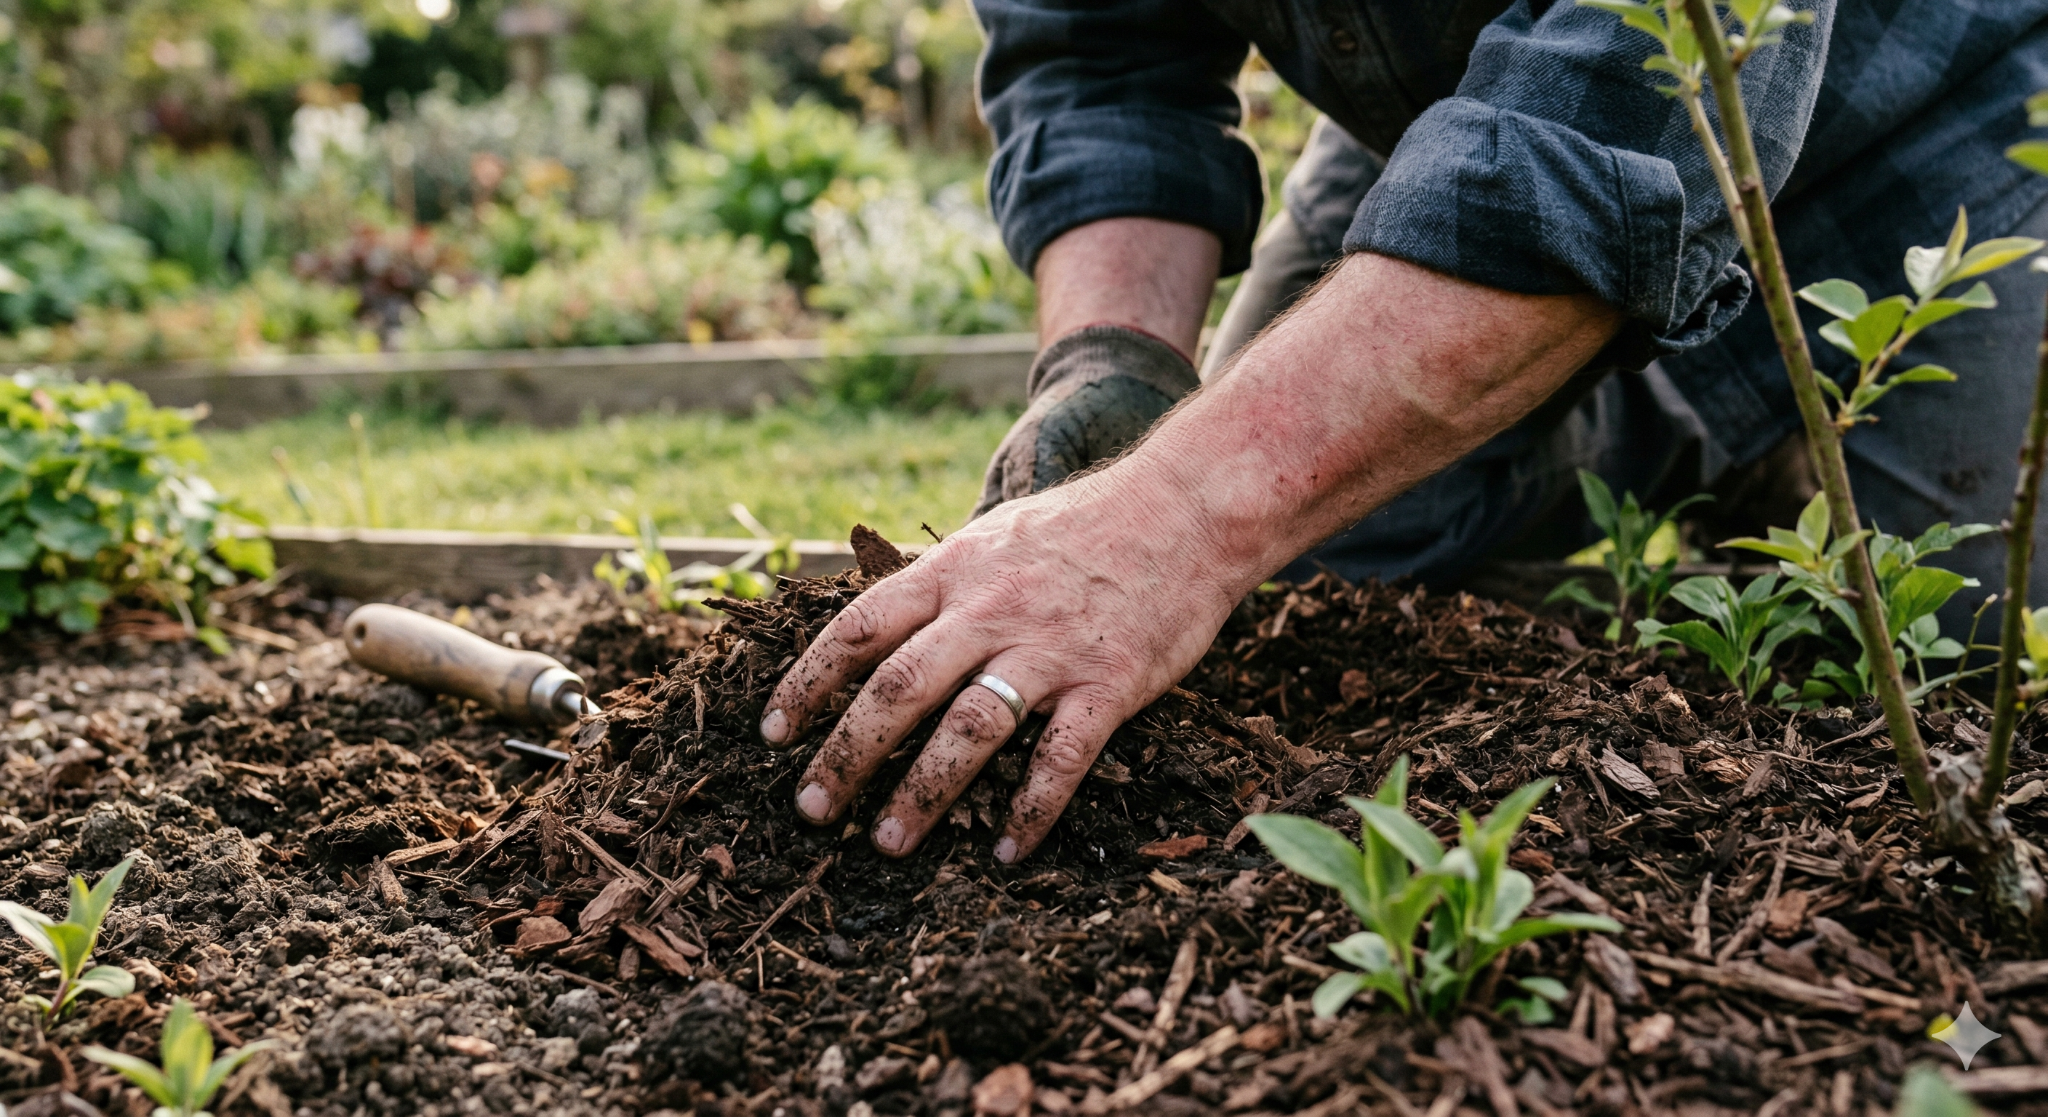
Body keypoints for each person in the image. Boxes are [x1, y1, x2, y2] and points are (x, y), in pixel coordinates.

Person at [761, 1, 2048, 864]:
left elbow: (1622, 103)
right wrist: (1112, 357)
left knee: (1965, 682)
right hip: (1465, 114)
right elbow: (1099, 59)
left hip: (1934, 139)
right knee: (1324, 552)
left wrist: (1172, 514)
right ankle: (1622, 431)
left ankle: (1728, 454)